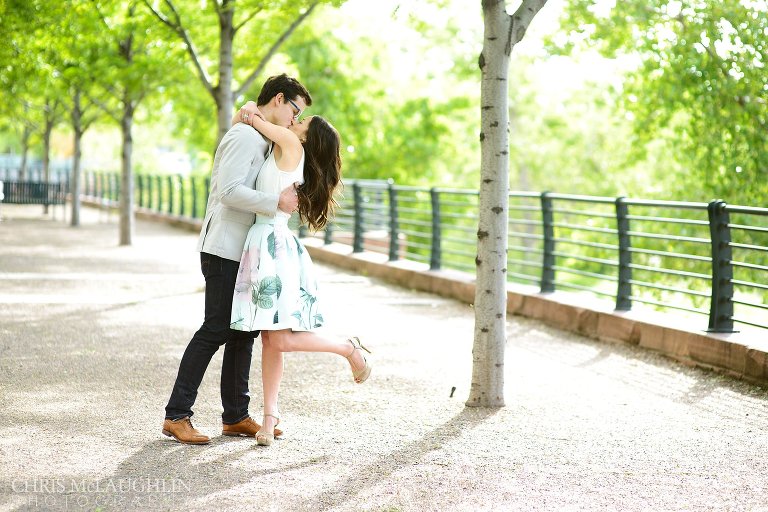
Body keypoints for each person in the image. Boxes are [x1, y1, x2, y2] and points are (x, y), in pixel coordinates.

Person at [162, 74, 311, 445]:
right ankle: (176, 415)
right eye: (295, 111)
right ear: (279, 99)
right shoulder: (245, 136)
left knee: (244, 331)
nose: (294, 121)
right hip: (224, 248)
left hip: (244, 250)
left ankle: (235, 416)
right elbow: (229, 191)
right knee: (215, 328)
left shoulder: (257, 134)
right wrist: (275, 202)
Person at [231, 104, 371, 447]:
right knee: (269, 340)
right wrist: (249, 114)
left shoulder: (292, 146)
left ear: (308, 137)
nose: (295, 120)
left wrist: (252, 111)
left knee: (278, 340)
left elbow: (255, 120)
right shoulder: (286, 147)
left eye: (302, 120)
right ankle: (269, 418)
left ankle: (347, 348)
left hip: (273, 246)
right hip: (266, 243)